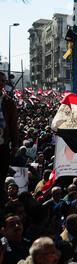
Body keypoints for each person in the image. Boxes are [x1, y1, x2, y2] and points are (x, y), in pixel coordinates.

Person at [0, 72, 19, 208]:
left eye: (3, 81)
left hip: (3, 146)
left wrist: (14, 146)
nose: (1, 83)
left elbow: (13, 126)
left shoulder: (8, 102)